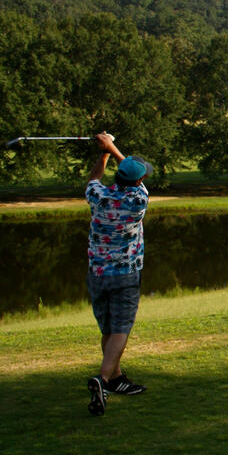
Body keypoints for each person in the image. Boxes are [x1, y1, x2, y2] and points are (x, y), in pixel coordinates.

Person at [85, 132, 153, 416]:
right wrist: (112, 148)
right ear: (138, 181)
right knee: (120, 330)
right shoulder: (138, 199)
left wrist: (102, 153)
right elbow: (133, 176)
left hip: (97, 273)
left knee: (108, 328)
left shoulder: (98, 195)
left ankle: (115, 379)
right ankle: (102, 379)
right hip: (125, 274)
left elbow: (93, 179)